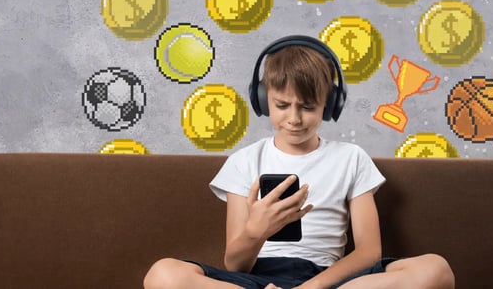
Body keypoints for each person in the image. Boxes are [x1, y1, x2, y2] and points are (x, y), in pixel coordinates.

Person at [143, 35, 455, 289]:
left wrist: (313, 288)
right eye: (282, 105)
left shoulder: (351, 158)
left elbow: (369, 251)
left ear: (330, 104)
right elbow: (235, 265)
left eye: (307, 106)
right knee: (162, 275)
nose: (294, 119)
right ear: (264, 100)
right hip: (257, 281)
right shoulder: (244, 162)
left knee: (435, 270)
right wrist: (256, 230)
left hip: (330, 280)